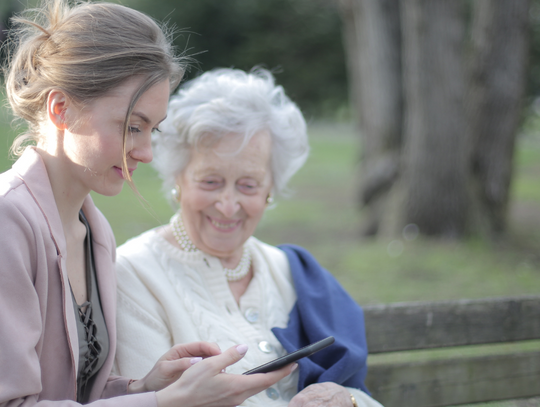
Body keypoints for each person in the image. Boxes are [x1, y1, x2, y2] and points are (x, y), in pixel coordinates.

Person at [0, 3, 294, 407]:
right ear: (60, 108)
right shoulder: (8, 222)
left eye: (153, 130)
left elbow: (75, 393)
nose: (146, 152)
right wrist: (167, 404)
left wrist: (145, 386)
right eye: (132, 127)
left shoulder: (93, 230)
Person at [113, 68, 384, 407]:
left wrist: (348, 400)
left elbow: (359, 393)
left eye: (248, 185)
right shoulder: (133, 274)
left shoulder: (291, 270)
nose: (228, 206)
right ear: (177, 178)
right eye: (210, 181)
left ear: (270, 189)